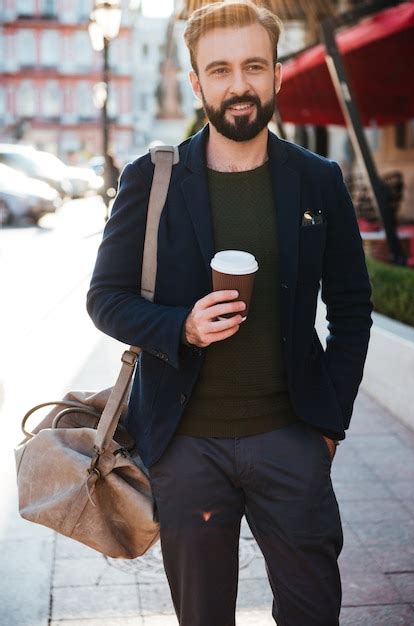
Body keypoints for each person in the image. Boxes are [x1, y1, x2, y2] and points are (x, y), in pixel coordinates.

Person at [87, 2, 373, 624]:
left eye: (252, 66)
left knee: (313, 611)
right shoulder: (151, 179)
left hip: (293, 441)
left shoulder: (319, 180)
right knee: (203, 616)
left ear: (274, 73)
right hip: (187, 450)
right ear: (196, 82)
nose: (237, 85)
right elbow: (104, 298)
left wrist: (329, 428)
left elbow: (352, 308)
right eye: (219, 70)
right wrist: (180, 327)